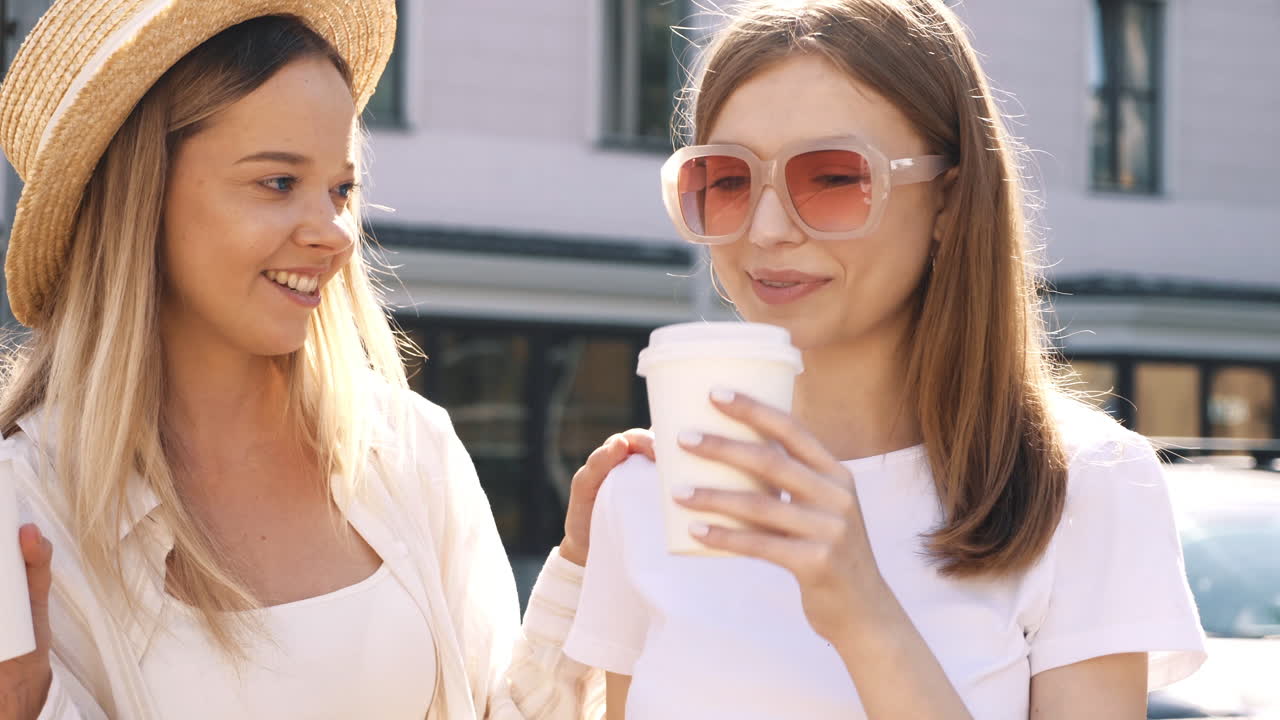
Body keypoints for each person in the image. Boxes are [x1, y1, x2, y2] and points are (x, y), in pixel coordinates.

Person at [0, 3, 650, 719]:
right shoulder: (30, 507)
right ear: (141, 200)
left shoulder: (407, 445)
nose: (337, 235)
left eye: (341, 190)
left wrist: (584, 570)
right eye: (278, 183)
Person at [563, 1, 1206, 718]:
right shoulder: (648, 494)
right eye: (729, 181)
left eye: (833, 178)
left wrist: (864, 613)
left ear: (950, 201)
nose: (768, 229)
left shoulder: (1080, 483)